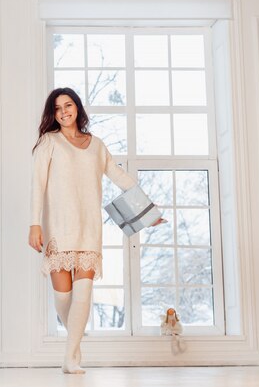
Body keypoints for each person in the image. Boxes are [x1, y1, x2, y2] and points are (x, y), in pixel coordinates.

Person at [28, 87, 162, 374]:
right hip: (58, 228)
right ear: (53, 114)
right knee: (64, 297)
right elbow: (37, 185)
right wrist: (34, 224)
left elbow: (119, 176)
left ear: (77, 108)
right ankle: (73, 349)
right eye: (57, 108)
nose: (63, 112)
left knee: (84, 292)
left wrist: (149, 211)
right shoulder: (48, 142)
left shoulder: (97, 145)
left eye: (68, 105)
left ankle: (69, 359)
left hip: (88, 227)